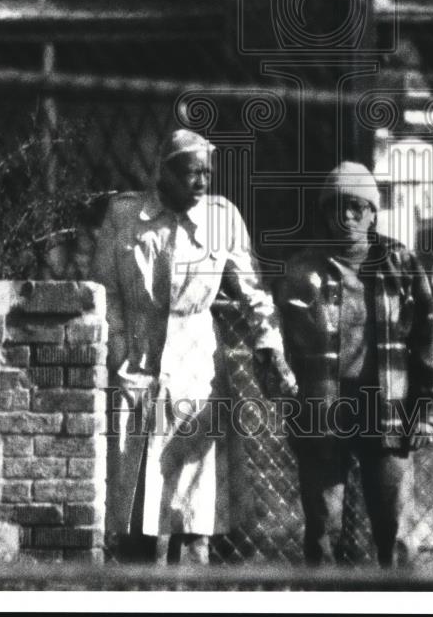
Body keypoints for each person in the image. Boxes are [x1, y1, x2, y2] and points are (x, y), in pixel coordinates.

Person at [91, 128, 296, 564]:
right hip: (137, 362)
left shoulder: (222, 219)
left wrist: (268, 344)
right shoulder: (125, 216)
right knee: (135, 505)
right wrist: (119, 349)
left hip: (197, 366)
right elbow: (105, 289)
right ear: (164, 173)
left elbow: (254, 292)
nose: (201, 183)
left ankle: (189, 592)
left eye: (207, 173)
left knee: (193, 511)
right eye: (190, 173)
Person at [275, 161, 433, 567]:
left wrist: (428, 409)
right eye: (336, 206)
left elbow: (426, 341)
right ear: (323, 212)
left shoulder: (401, 264)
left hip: (388, 409)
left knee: (395, 534)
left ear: (372, 211)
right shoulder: (301, 269)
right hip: (322, 411)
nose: (346, 216)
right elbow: (278, 341)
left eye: (356, 206)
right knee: (322, 534)